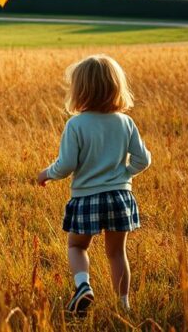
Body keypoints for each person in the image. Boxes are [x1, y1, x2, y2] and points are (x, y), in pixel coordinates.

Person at [37, 55, 151, 316]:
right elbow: (144, 159)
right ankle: (124, 304)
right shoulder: (125, 122)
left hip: (87, 198)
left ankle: (83, 286)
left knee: (77, 246)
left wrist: (47, 173)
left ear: (80, 89)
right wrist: (124, 173)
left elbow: (66, 165)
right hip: (120, 197)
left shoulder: (76, 124)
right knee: (116, 253)